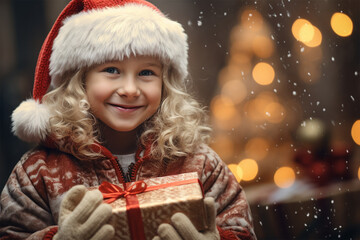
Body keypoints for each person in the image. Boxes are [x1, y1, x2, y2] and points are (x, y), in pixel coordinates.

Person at [0, 0, 256, 239]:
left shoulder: (201, 164)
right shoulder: (39, 172)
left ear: (165, 84)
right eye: (111, 70)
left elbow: (241, 230)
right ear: (81, 79)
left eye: (146, 72)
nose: (130, 89)